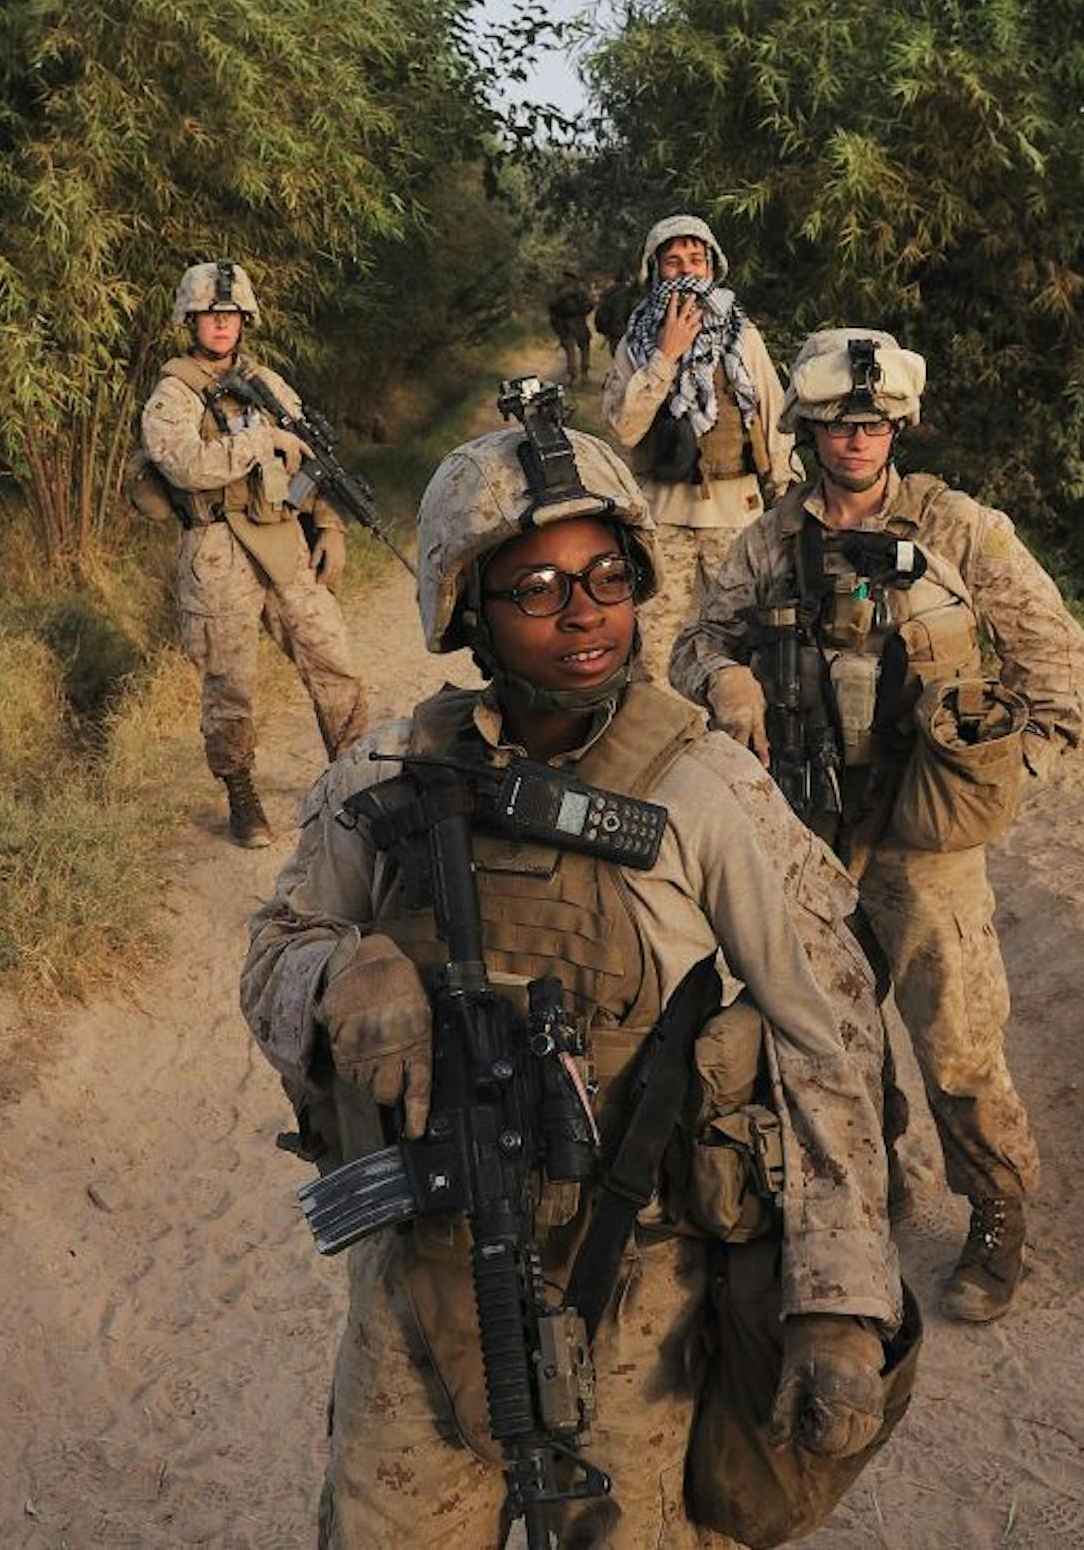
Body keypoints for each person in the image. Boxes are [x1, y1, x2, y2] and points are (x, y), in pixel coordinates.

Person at [241, 398, 902, 1546]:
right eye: (537, 589)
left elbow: (826, 1035)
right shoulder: (390, 770)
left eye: (606, 577)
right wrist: (341, 973)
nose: (583, 614)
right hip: (424, 1277)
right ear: (471, 611)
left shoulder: (706, 787)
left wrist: (841, 1300)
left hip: (636, 1286)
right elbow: (273, 948)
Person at [670, 329, 1084, 1325]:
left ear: (896, 425)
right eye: (835, 423)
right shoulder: (770, 541)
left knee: (955, 1035)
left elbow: (1058, 660)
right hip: (810, 820)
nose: (855, 439)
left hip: (923, 822)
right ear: (807, 429)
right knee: (827, 1025)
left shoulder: (957, 527)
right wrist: (722, 674)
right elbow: (695, 639)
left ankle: (997, 1210)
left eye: (872, 422)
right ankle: (871, 1180)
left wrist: (1002, 765)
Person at [141, 259, 369, 847]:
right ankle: (241, 793)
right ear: (189, 321)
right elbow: (187, 466)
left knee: (333, 659)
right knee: (231, 683)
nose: (221, 325)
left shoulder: (267, 383)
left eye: (231, 316)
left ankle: (354, 779)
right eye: (210, 316)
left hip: (283, 538)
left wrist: (329, 524)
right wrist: (261, 438)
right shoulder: (173, 394)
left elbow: (310, 459)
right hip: (216, 548)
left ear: (245, 320)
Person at [601, 214, 800, 683]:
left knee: (744, 641)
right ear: (656, 271)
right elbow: (625, 429)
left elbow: (776, 421)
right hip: (661, 514)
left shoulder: (743, 337)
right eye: (673, 262)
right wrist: (666, 356)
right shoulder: (636, 344)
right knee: (653, 646)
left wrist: (791, 503)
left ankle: (736, 742)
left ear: (713, 267)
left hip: (736, 516)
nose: (687, 271)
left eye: (696, 259)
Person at [547, 269, 594, 383]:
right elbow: (590, 304)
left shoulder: (559, 289)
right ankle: (583, 373)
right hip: (576, 321)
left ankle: (575, 374)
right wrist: (582, 312)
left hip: (565, 322)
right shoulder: (580, 288)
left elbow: (551, 305)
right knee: (583, 347)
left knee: (571, 349)